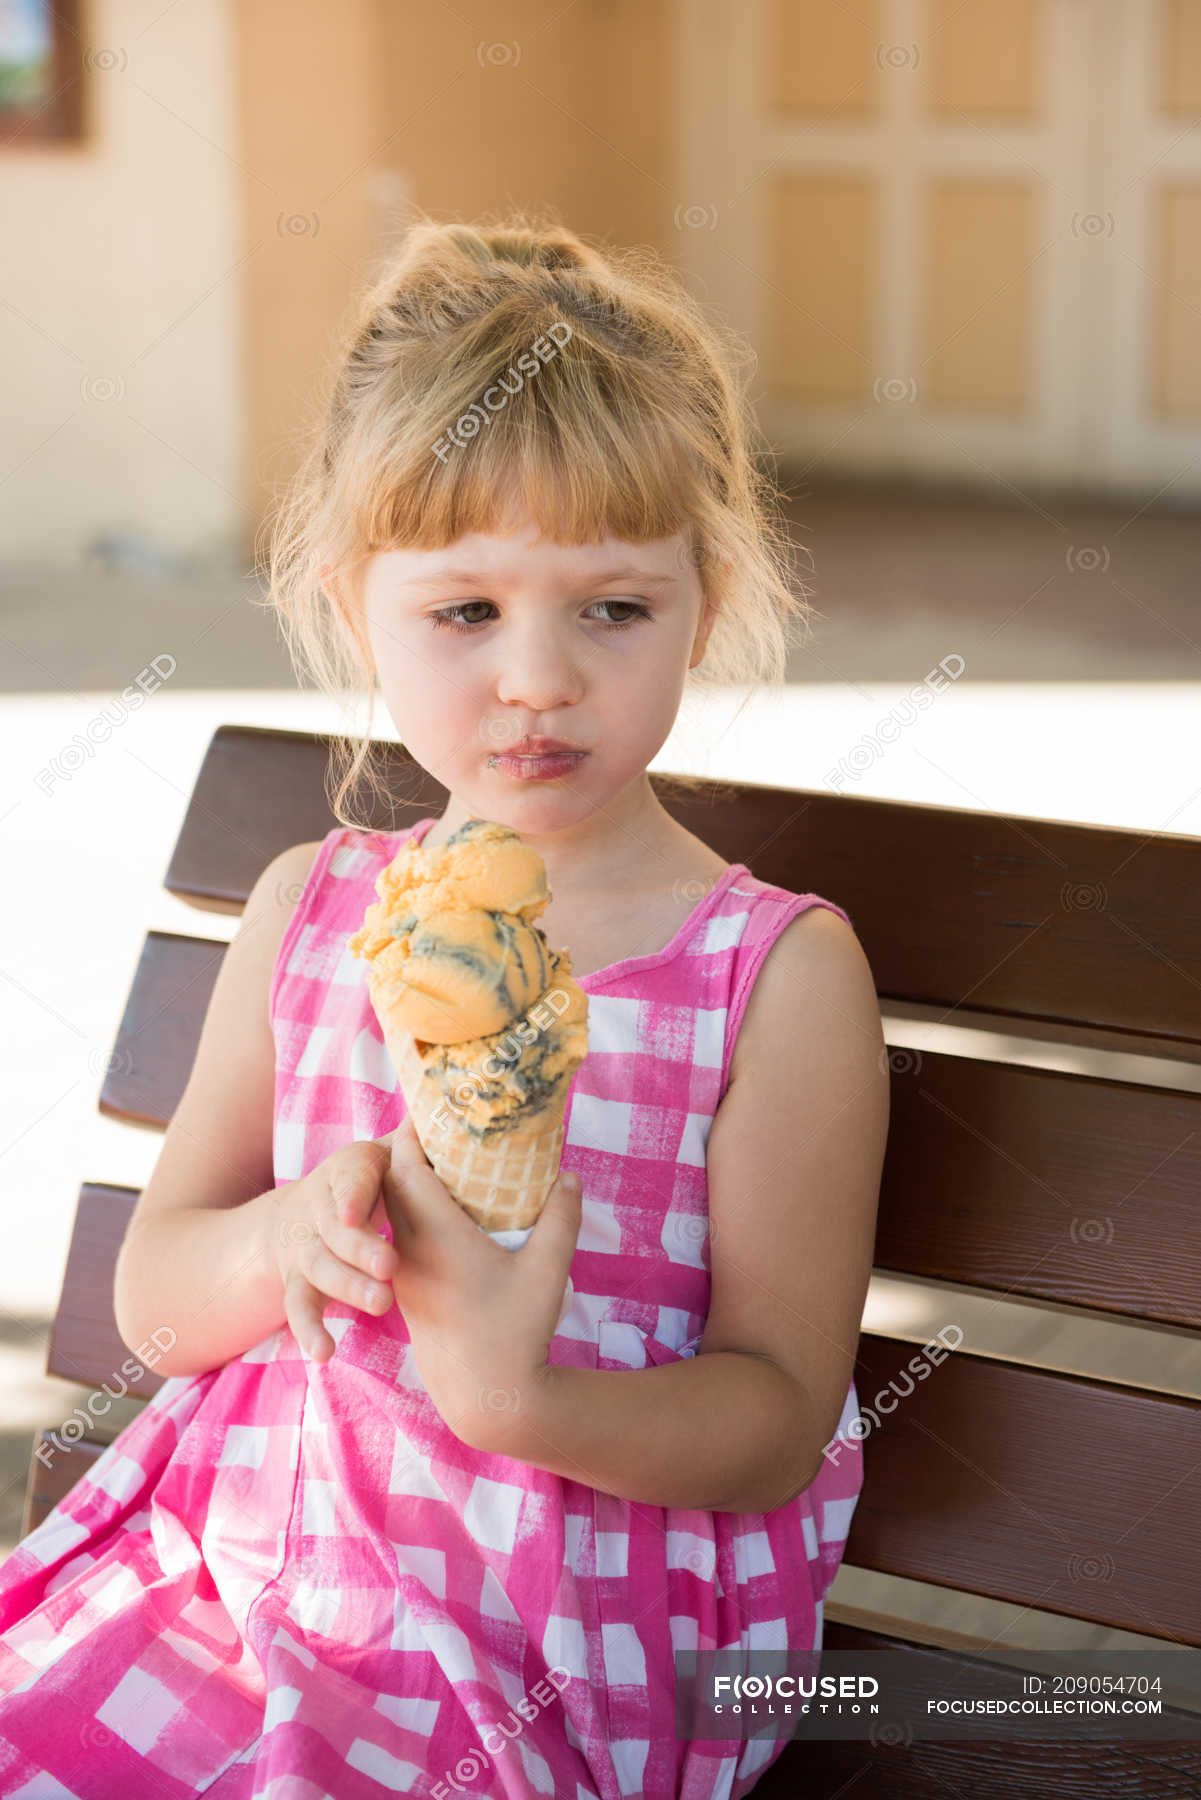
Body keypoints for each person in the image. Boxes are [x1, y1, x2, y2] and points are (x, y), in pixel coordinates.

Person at [0, 211, 889, 1798]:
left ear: (707, 597)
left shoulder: (771, 974)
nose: (537, 678)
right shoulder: (312, 908)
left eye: (611, 608)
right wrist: (285, 1240)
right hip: (243, 1570)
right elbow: (154, 1301)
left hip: (559, 1635)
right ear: (356, 607)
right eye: (464, 612)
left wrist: (511, 1395)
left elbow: (770, 1416)